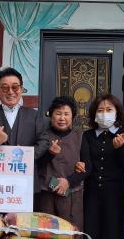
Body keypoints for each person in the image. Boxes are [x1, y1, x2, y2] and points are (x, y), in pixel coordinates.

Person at [0, 67, 49, 192]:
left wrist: (27, 155)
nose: (10, 92)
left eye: (15, 87)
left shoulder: (34, 115)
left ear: (21, 89)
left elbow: (44, 142)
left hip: (26, 178)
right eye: (5, 88)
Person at [81, 94, 124, 239]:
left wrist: (120, 148)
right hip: (91, 193)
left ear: (117, 112)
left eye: (109, 109)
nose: (104, 114)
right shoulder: (88, 135)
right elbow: (86, 163)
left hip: (114, 194)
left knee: (112, 236)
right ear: (94, 114)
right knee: (90, 235)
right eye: (100, 110)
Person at [36, 96, 89, 230]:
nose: (62, 118)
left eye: (66, 114)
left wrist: (68, 181)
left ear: (72, 116)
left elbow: (88, 167)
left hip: (72, 195)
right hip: (46, 195)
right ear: (51, 115)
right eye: (58, 113)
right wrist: (50, 153)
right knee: (46, 233)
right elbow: (36, 164)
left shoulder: (80, 137)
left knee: (71, 234)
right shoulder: (43, 136)